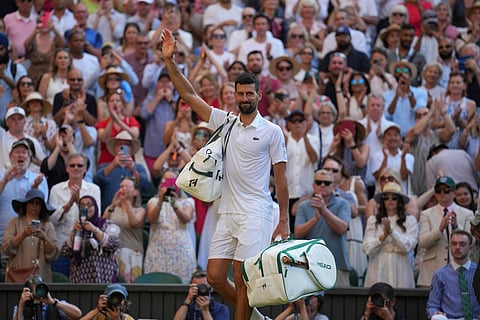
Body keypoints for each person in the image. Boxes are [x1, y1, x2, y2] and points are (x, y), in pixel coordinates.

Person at [162, 28, 289, 320]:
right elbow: (189, 94)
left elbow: (281, 178)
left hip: (256, 213)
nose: (244, 98)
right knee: (216, 277)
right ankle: (256, 317)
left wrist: (283, 219)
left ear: (259, 95)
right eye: (239, 93)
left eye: (249, 93)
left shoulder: (272, 131)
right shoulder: (225, 122)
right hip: (227, 212)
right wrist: (170, 62)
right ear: (234, 95)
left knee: (241, 276)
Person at [295, 169, 351, 287]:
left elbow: (342, 228)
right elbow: (298, 233)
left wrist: (323, 210)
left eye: (327, 183)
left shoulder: (343, 204)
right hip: (309, 266)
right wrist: (314, 219)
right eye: (319, 182)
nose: (322, 185)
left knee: (339, 302)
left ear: (334, 186)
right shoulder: (303, 206)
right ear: (313, 185)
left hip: (337, 265)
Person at [49, 154, 102, 277]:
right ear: (66, 168)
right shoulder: (56, 189)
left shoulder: (94, 189)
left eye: (80, 165)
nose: (76, 168)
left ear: (85, 169)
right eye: (72, 165)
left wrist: (79, 203)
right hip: (62, 246)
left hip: (85, 248)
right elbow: (52, 220)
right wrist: (68, 204)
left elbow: (95, 218)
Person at [417, 176, 474, 287]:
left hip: (459, 271)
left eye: (446, 190)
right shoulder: (426, 214)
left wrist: (456, 227)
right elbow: (422, 242)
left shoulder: (467, 213)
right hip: (431, 272)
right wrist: (439, 229)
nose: (442, 193)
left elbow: (471, 242)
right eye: (439, 190)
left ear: (454, 193)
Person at [362, 182, 418, 288]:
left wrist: (392, 232)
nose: (390, 201)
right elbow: (367, 248)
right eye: (386, 198)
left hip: (401, 267)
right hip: (379, 266)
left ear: (399, 201)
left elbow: (409, 246)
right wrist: (382, 238)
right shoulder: (373, 220)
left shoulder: (410, 220)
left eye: (394, 198)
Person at [143, 172, 196, 283]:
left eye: (172, 182)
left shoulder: (187, 202)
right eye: (165, 182)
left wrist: (174, 203)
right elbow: (152, 219)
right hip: (158, 251)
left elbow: (186, 218)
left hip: (181, 250)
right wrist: (161, 201)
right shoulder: (153, 201)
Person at [2, 189, 58, 283]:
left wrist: (44, 237)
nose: (34, 206)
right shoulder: (14, 223)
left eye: (38, 203)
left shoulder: (47, 225)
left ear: (42, 207)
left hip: (41, 276)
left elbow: (53, 254)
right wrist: (23, 234)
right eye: (31, 202)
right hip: (17, 276)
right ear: (26, 205)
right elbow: (6, 248)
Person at [61, 195, 119, 283]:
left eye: (89, 205)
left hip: (102, 276)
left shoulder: (106, 224)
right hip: (80, 277)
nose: (86, 208)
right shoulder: (77, 226)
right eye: (82, 205)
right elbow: (65, 252)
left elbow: (113, 244)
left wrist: (94, 229)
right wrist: (74, 233)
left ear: (95, 207)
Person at [426, 230, 480, 319]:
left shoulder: (478, 271)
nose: (457, 247)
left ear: (471, 247)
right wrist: (436, 313)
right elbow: (432, 305)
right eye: (454, 244)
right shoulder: (440, 274)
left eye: (462, 244)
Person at [103, 177, 146, 283]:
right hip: (114, 252)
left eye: (127, 187)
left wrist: (127, 203)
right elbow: (102, 224)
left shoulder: (140, 210)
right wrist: (113, 204)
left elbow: (134, 223)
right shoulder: (112, 208)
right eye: (122, 186)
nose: (124, 189)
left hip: (132, 252)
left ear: (135, 192)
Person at [13, 275, 82, 320]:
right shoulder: (21, 307)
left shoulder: (54, 304)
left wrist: (53, 303)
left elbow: (77, 314)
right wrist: (21, 305)